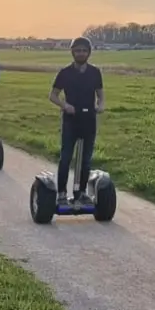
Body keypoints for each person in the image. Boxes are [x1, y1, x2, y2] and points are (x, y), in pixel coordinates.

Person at [48, 37, 105, 206]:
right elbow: (53, 95)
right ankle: (62, 193)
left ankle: (80, 193)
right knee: (66, 157)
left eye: (84, 51)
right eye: (78, 50)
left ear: (89, 53)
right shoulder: (65, 73)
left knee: (86, 160)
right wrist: (65, 105)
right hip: (71, 119)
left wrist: (100, 105)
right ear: (73, 52)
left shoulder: (95, 72)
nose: (81, 53)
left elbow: (100, 94)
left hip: (89, 119)